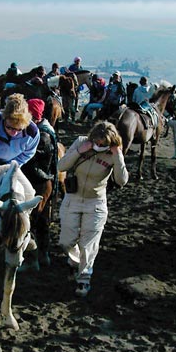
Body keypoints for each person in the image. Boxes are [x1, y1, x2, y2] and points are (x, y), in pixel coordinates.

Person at [57, 121, 128, 297]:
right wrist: (79, 151)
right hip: (73, 198)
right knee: (66, 241)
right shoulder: (81, 142)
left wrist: (118, 156)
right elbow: (61, 166)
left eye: (103, 144)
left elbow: (122, 180)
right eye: (97, 142)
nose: (99, 145)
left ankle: (83, 280)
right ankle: (74, 262)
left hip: (95, 202)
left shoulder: (113, 152)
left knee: (88, 245)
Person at [21, 99, 59, 268]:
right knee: (42, 221)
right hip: (44, 181)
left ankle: (33, 259)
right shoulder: (45, 130)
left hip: (38, 183)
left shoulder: (41, 135)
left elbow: (30, 159)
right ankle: (44, 255)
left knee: (32, 221)